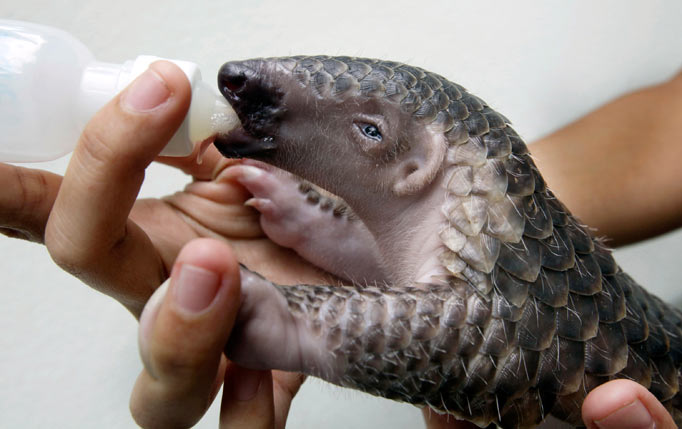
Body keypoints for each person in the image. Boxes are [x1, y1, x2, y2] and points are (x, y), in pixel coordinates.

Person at [0, 61, 678, 428]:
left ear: (419, 167)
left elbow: (474, 331)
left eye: (372, 135)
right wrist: (320, 220)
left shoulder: (487, 311)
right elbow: (466, 254)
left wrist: (280, 317)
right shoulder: (469, 213)